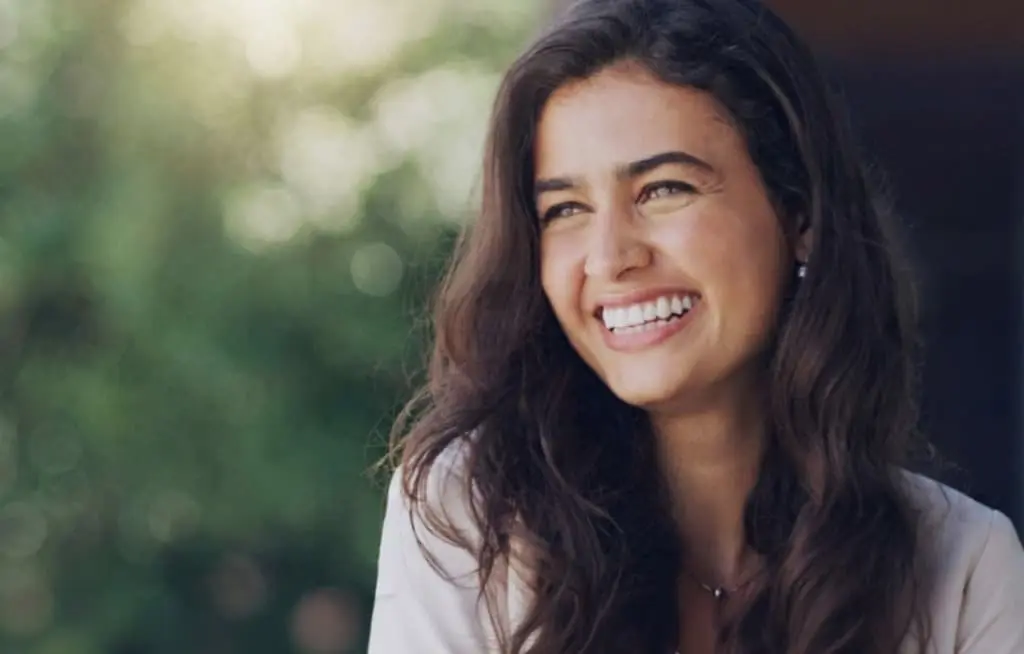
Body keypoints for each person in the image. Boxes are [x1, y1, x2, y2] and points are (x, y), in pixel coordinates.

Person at [367, 0, 1024, 652]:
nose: (611, 257)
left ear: (799, 217)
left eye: (663, 190)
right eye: (565, 209)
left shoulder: (963, 568)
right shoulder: (469, 519)